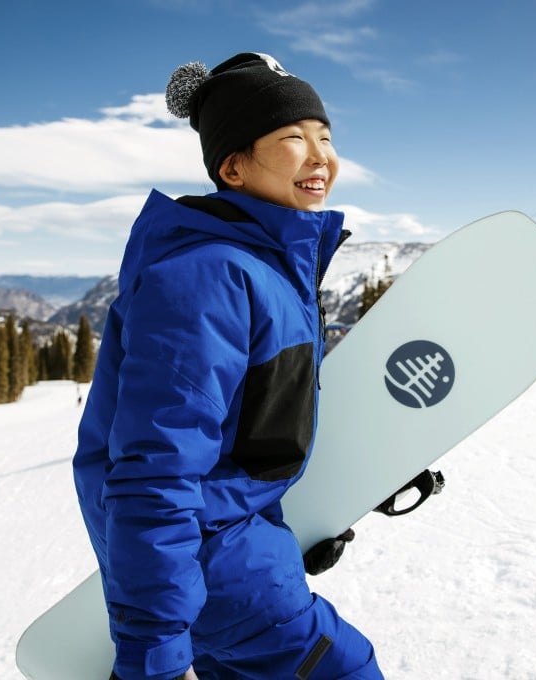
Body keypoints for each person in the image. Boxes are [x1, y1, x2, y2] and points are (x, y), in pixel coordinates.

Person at [73, 52, 383, 680]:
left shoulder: (268, 269)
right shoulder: (209, 275)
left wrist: (292, 537)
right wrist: (152, 653)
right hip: (222, 577)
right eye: (292, 138)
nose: (319, 156)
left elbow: (252, 440)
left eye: (325, 137)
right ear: (233, 167)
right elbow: (154, 469)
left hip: (238, 561)